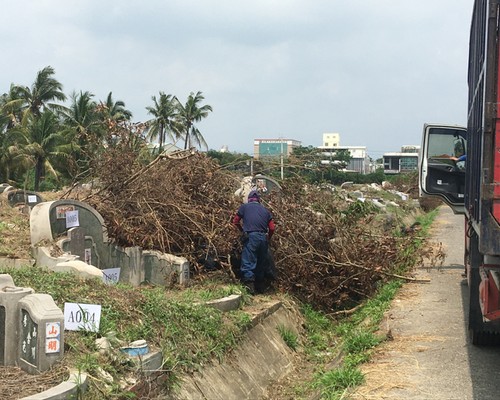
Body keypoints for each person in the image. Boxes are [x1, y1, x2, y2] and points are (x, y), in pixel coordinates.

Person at [232, 189, 276, 294]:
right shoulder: (265, 210)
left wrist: (242, 230)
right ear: (259, 200)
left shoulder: (244, 207)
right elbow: (272, 228)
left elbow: (235, 221)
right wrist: (268, 238)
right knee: (261, 261)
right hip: (263, 238)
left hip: (251, 237)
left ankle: (249, 287)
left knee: (248, 261)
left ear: (249, 199)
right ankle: (260, 287)